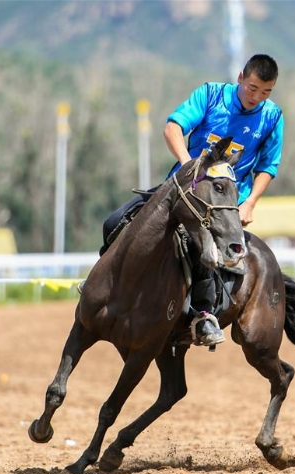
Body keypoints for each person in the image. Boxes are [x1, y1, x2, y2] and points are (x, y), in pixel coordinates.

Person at [97, 54, 284, 347]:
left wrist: (250, 203)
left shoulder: (272, 117)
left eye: (266, 92)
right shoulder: (210, 95)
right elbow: (173, 127)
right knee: (114, 222)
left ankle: (204, 316)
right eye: (252, 88)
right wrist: (188, 165)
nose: (257, 97)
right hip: (181, 190)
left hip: (222, 204)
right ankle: (104, 287)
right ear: (240, 77)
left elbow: (268, 166)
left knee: (202, 250)